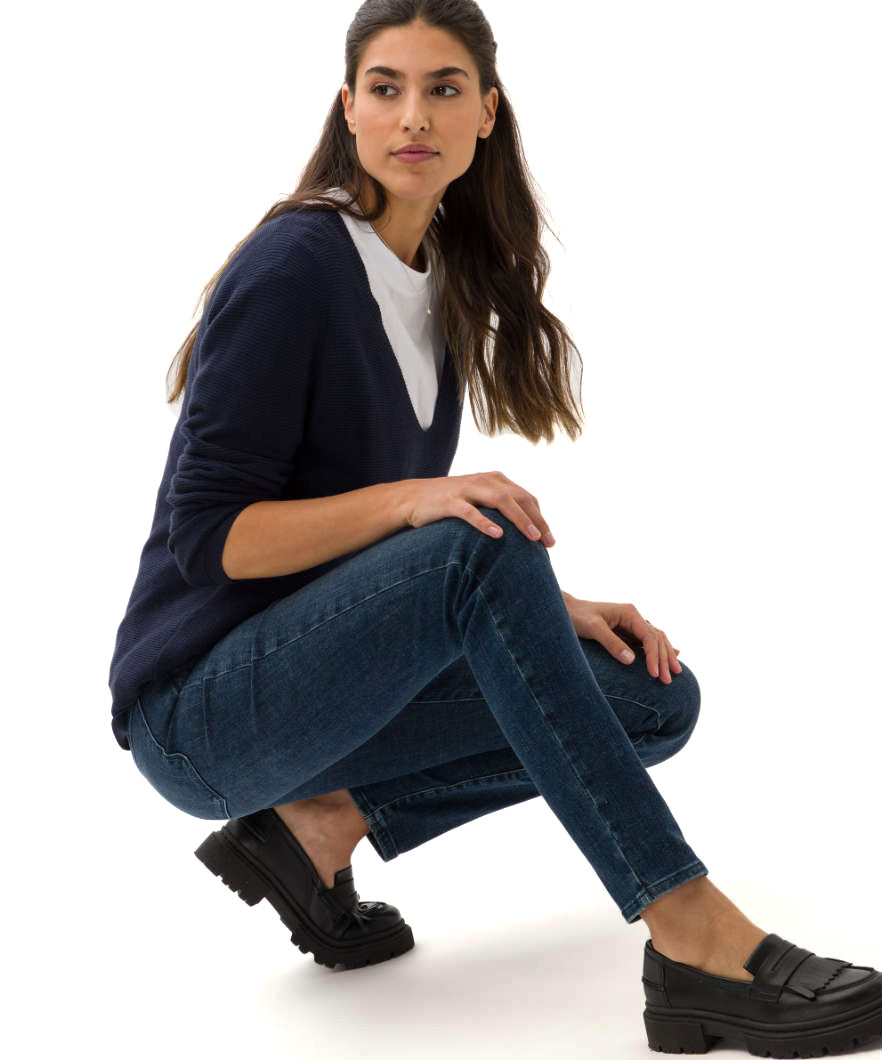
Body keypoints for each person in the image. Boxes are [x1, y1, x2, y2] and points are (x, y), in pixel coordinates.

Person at [107, 2, 882, 1054]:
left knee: (652, 701)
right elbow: (214, 538)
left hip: (314, 692)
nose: (413, 116)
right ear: (348, 109)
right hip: (201, 716)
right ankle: (690, 930)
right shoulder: (296, 267)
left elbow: (400, 561)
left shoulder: (434, 278)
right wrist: (419, 507)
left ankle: (321, 824)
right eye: (386, 88)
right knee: (482, 537)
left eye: (443, 89)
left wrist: (549, 608)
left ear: (487, 114)